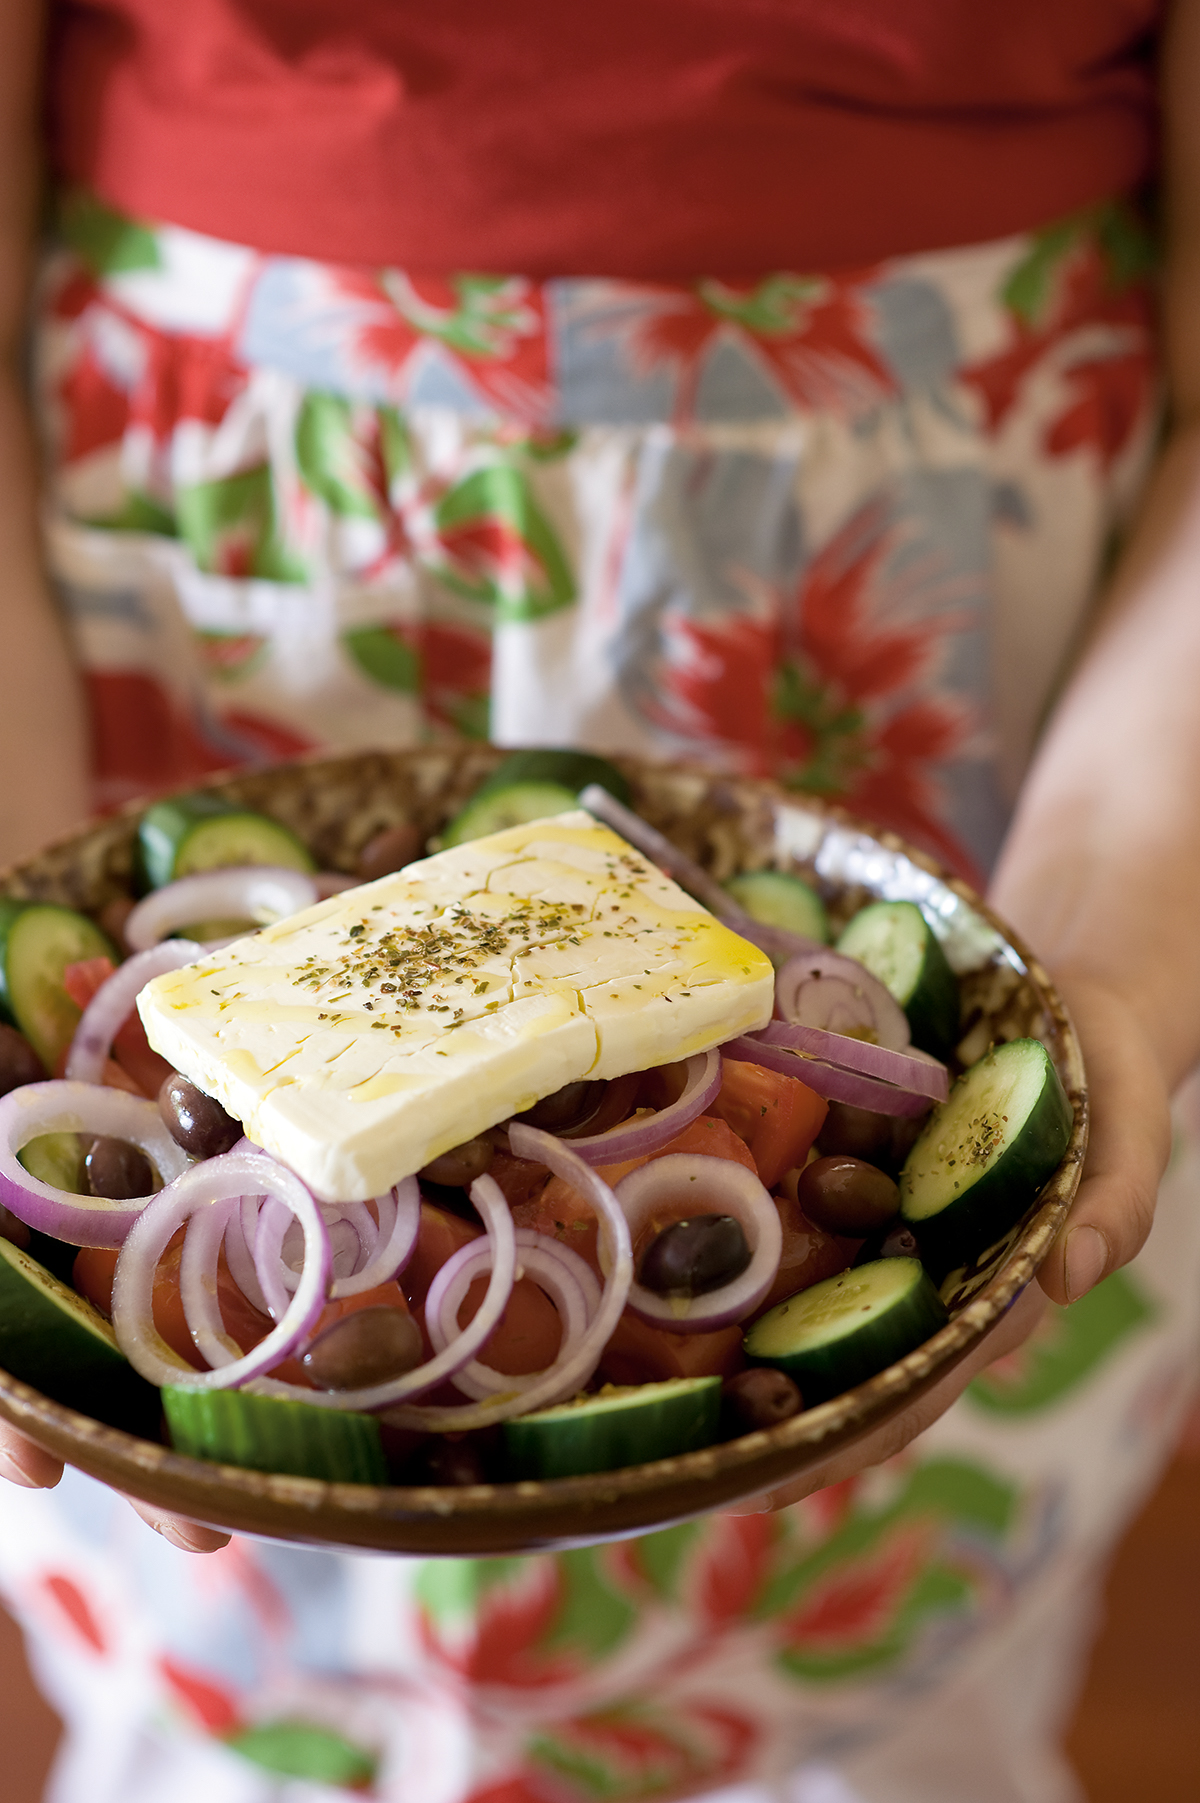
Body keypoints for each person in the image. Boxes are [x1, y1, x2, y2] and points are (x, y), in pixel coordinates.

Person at [0, 2, 1199, 1799]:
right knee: (225, 1712)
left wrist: (1107, 936)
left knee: (901, 1698)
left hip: (996, 694)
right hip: (184, 640)